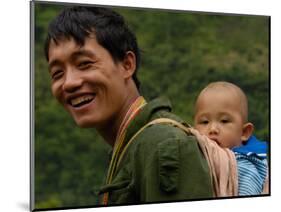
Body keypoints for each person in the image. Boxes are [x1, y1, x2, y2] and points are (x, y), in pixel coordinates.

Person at [44, 6, 213, 206]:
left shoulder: (163, 145)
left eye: (84, 64)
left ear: (127, 65)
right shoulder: (131, 146)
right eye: (57, 73)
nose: (69, 82)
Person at [193, 81, 268, 196]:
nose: (212, 129)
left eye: (224, 121)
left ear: (244, 132)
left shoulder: (243, 167)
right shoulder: (196, 154)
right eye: (205, 122)